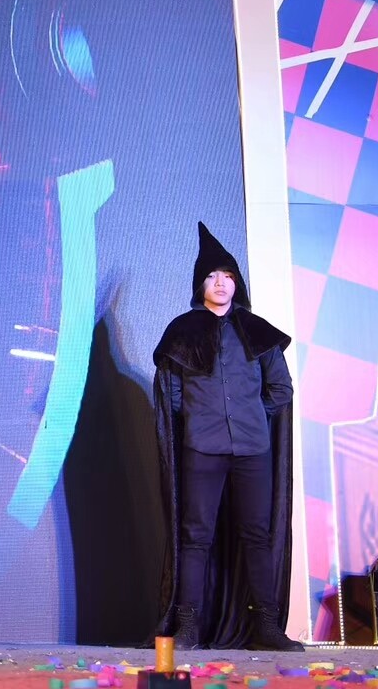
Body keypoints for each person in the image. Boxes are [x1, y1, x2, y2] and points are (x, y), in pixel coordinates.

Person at [153, 223, 303, 651]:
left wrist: (253, 414)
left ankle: (268, 628)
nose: (220, 283)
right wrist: (202, 418)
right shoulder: (183, 331)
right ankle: (188, 627)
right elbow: (172, 394)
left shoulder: (257, 331)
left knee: (257, 535)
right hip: (203, 449)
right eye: (212, 276)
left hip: (253, 449)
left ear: (237, 283)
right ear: (200, 284)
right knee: (195, 537)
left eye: (228, 276)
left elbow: (281, 389)